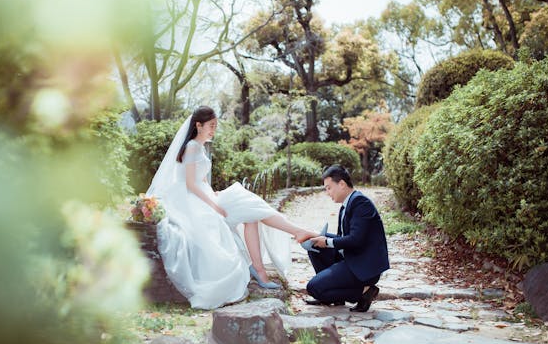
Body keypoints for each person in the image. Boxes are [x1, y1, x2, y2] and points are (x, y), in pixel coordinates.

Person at [147, 106, 317, 309]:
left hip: (205, 197)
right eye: (210, 126)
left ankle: (264, 264)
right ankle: (295, 234)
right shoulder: (192, 146)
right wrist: (214, 205)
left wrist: (214, 194)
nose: (213, 130)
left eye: (215, 126)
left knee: (249, 210)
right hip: (193, 202)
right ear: (198, 125)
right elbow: (191, 185)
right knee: (246, 202)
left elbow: (200, 181)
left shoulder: (199, 147)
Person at [302, 165, 389, 312]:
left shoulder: (361, 203)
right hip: (351, 258)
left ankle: (365, 291)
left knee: (313, 288)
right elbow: (344, 238)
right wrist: (319, 238)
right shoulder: (347, 204)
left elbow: (356, 239)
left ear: (341, 184)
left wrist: (328, 242)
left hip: (363, 267)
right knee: (314, 242)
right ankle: (335, 295)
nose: (327, 193)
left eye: (328, 188)